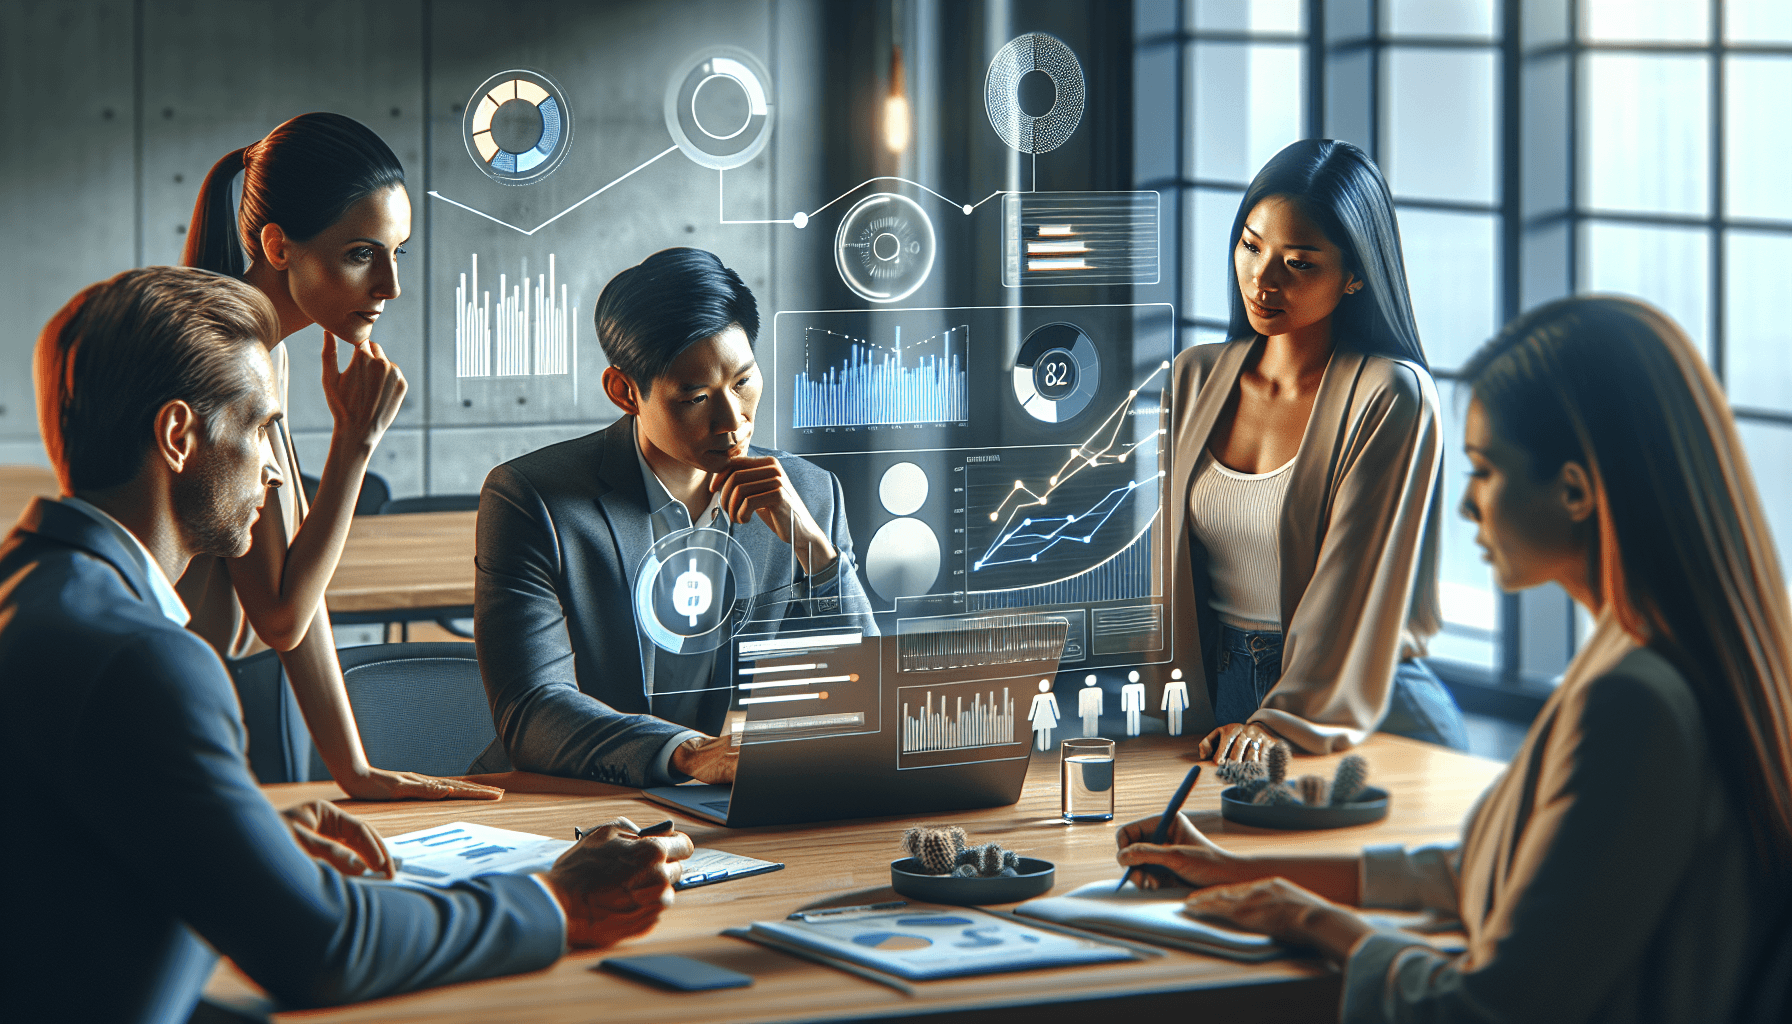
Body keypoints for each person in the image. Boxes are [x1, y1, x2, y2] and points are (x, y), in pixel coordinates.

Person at [1, 267, 693, 1024]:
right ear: (178, 436)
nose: (273, 467)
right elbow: (327, 949)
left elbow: (61, 881)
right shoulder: (145, 661)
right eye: (262, 427)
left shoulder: (33, 592)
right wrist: (559, 899)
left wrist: (245, 848)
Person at [1115, 295, 1792, 1023]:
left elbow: (1485, 1010)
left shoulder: (1632, 704)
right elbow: (1487, 874)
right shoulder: (1640, 654)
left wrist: (1311, 922)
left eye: (1484, 470)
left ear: (1574, 490)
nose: (1468, 507)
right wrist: (1242, 870)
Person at [181, 111, 498, 799]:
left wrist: (355, 770)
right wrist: (355, 443)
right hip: (145, 715)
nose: (390, 286)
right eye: (361, 254)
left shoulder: (260, 347)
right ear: (278, 244)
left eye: (396, 252)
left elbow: (298, 584)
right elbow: (281, 614)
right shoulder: (230, 362)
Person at [475, 248, 875, 788]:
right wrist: (688, 754)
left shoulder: (808, 492)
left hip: (718, 799)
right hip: (565, 795)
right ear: (624, 392)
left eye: (743, 382)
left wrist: (815, 549)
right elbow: (532, 709)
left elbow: (861, 692)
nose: (732, 421)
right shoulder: (531, 500)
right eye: (695, 397)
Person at [1150, 138, 1466, 762]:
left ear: (1354, 275)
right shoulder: (1194, 378)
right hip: (1223, 696)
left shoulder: (1390, 395)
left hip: (1353, 704)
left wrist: (1284, 719)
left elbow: (1350, 584)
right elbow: (1168, 573)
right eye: (1250, 245)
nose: (1262, 278)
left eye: (1298, 263)